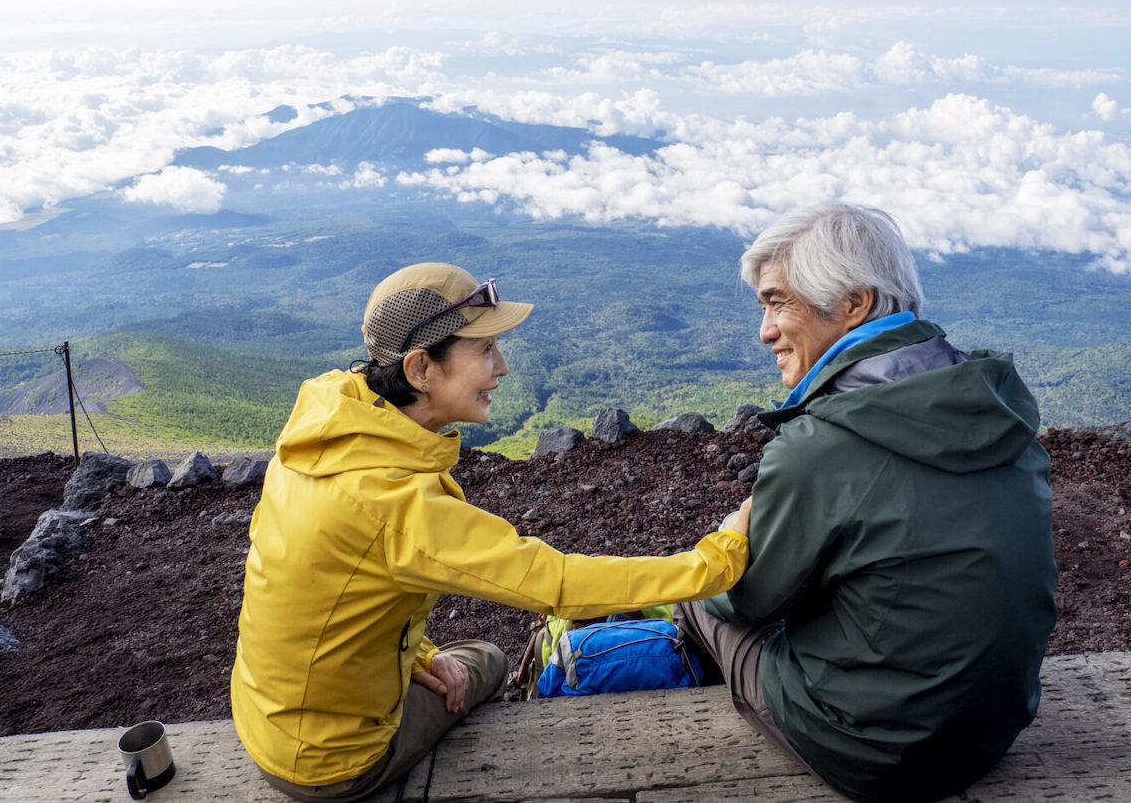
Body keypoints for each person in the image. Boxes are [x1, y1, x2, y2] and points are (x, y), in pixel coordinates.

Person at [230, 262, 751, 802]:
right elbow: (558, 584)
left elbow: (325, 588)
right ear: (419, 369)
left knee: (458, 660)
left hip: (264, 713)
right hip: (328, 763)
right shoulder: (392, 501)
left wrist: (423, 655)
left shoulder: (324, 431)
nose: (501, 367)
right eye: (484, 350)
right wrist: (719, 559)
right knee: (490, 660)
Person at [675, 204, 1058, 803]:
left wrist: (730, 533)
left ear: (854, 303)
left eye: (778, 302)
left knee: (694, 596)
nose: (765, 330)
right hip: (996, 728)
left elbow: (747, 601)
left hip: (878, 754)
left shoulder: (819, 448)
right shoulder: (995, 408)